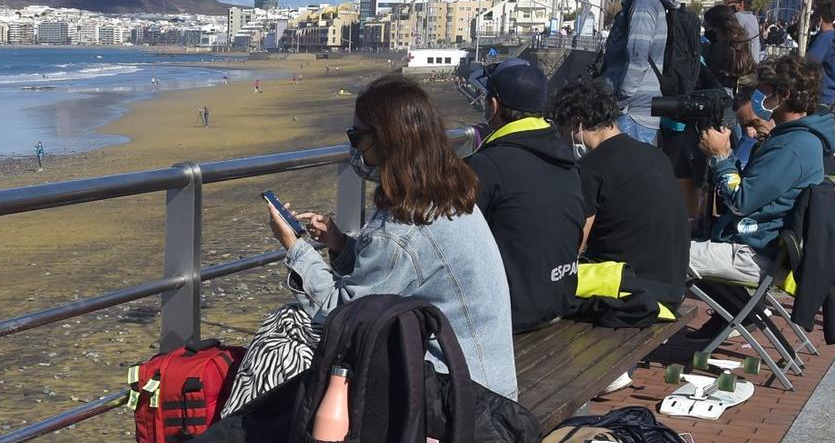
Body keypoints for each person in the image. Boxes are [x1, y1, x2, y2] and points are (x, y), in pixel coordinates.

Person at [267, 76, 518, 397]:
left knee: (290, 338)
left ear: (386, 140)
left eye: (356, 136)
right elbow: (398, 273)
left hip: (461, 401)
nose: (353, 148)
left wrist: (294, 247)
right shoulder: (448, 193)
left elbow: (341, 318)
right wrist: (341, 244)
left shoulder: (403, 224)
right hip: (489, 379)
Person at [688, 54, 831, 286]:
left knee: (666, 255)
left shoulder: (791, 147)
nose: (758, 98)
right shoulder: (793, 138)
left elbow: (741, 202)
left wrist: (721, 156)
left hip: (755, 252)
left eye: (763, 92)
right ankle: (731, 319)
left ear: (783, 95)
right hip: (755, 241)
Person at [547, 79, 689, 307]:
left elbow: (574, 245)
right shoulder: (656, 156)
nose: (562, 140)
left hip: (630, 292)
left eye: (561, 131)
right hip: (670, 287)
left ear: (576, 124)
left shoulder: (591, 169)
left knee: (546, 284)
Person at [466, 59, 582, 331]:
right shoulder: (566, 158)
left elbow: (456, 239)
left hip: (510, 313)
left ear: (493, 106)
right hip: (558, 299)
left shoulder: (488, 164)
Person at [596, 0, 674, 146]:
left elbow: (638, 55)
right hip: (634, 110)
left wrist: (620, 101)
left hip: (633, 112)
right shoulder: (638, 1)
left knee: (627, 172)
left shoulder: (643, 2)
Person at [806, 0, 835, 114]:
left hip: (821, 96)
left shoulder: (824, 39)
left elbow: (807, 65)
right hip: (832, 95)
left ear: (819, 19)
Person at [725, 0, 763, 65]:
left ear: (741, 4)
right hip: (752, 65)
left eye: (727, 1)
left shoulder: (736, 17)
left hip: (740, 67)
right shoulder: (752, 18)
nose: (725, 5)